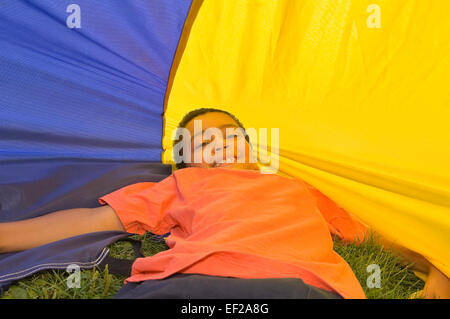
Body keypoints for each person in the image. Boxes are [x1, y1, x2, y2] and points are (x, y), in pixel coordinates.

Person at [0, 108, 448, 299]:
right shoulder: (182, 185)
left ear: (253, 150)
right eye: (203, 142)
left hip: (303, 288)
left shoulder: (298, 188)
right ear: (186, 162)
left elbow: (374, 236)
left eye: (232, 136)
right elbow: (88, 220)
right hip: (189, 287)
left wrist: (436, 268)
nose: (221, 146)